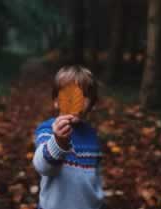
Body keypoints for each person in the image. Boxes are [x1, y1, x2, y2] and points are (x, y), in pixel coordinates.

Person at [32, 65, 107, 209]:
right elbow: (43, 167)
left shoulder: (92, 135)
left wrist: (99, 201)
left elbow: (95, 177)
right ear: (56, 101)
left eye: (83, 95)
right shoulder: (48, 130)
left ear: (91, 104)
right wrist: (58, 142)